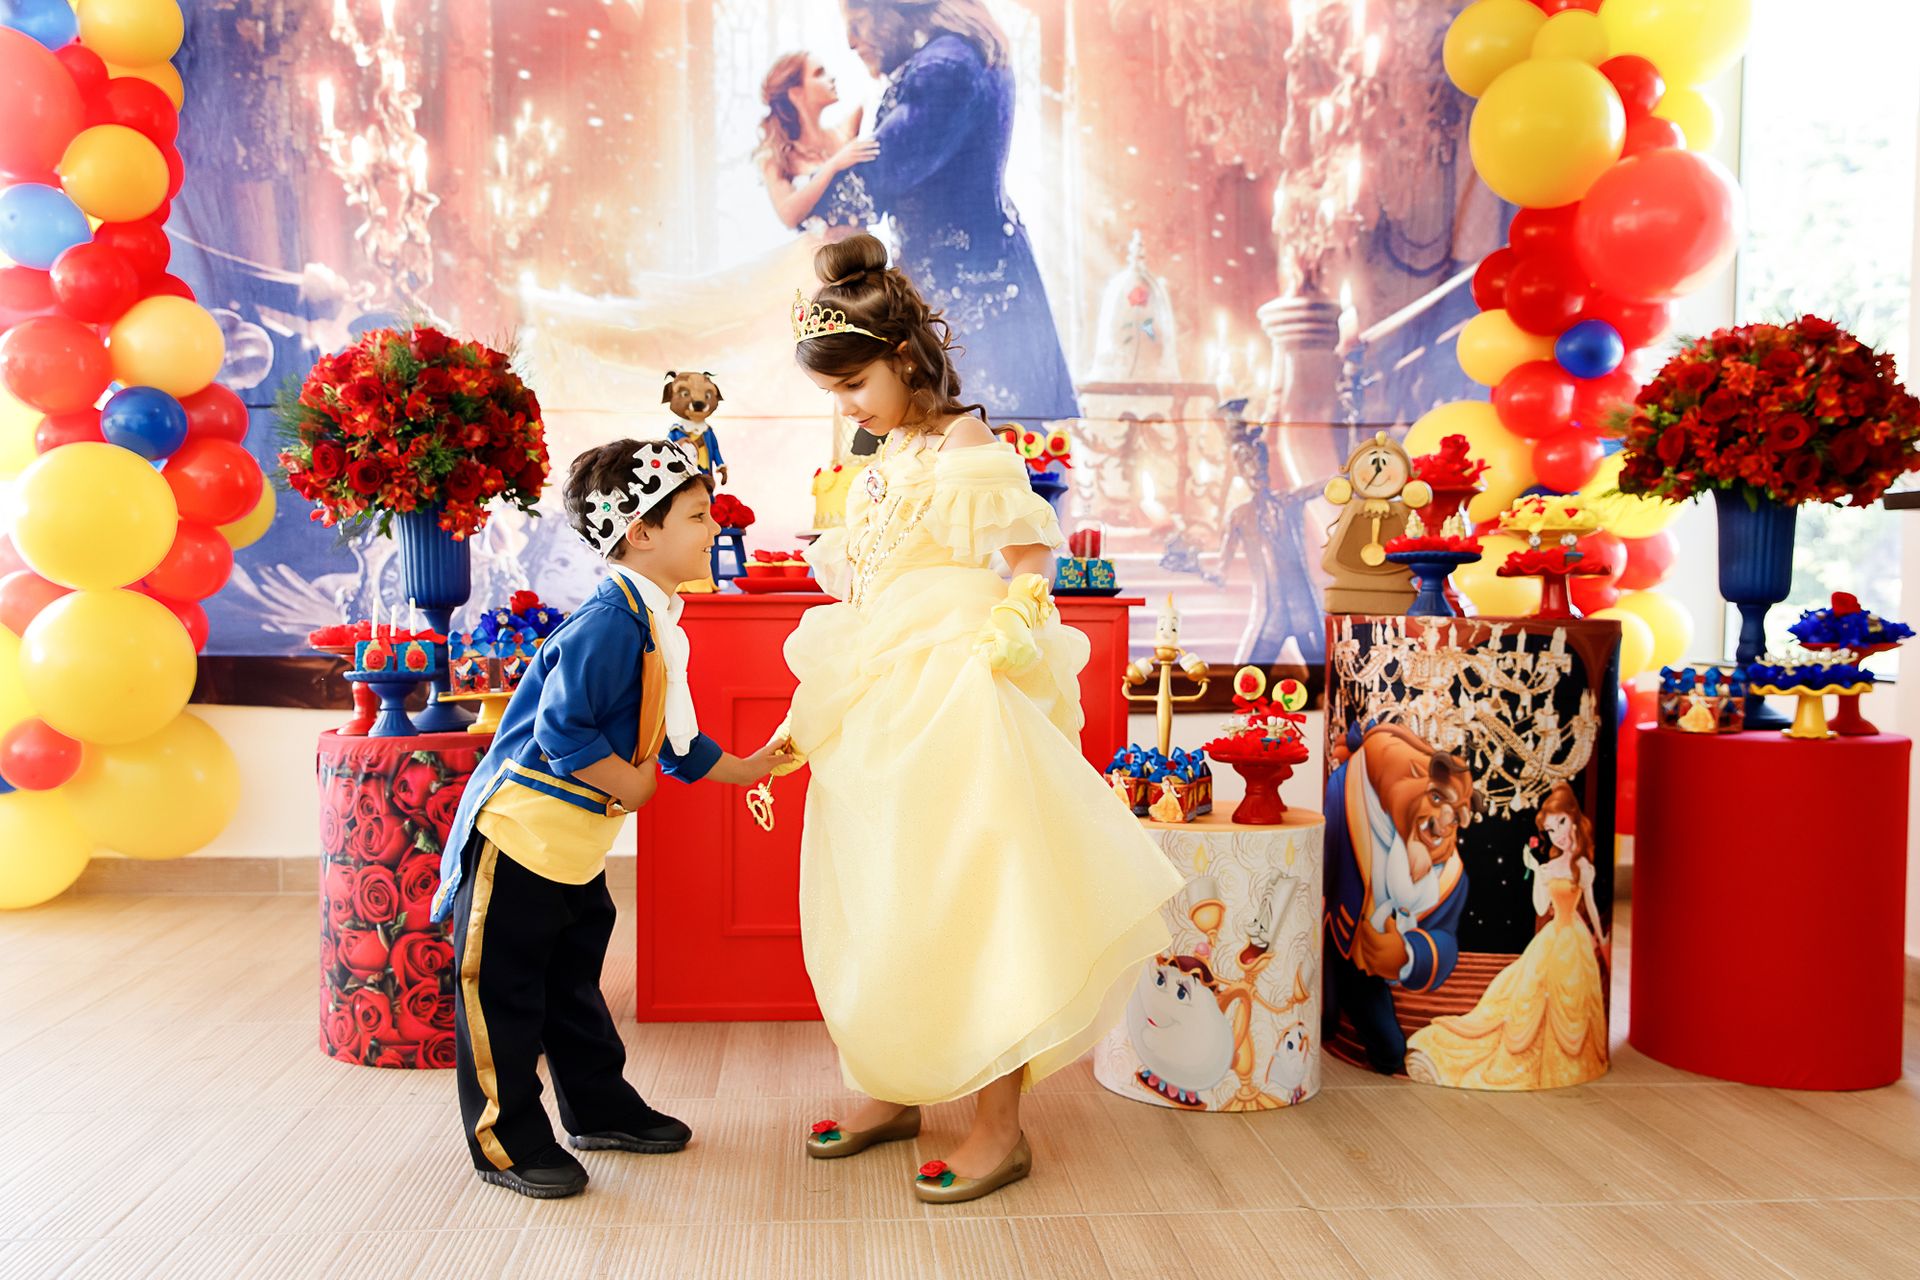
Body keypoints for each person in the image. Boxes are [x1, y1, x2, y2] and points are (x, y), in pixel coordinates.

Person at [781, 233, 1183, 1204]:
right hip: (880, 690)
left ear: (905, 358)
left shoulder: (967, 442)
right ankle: (891, 1083)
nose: (847, 407)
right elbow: (866, 559)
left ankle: (1000, 1124)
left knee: (977, 888)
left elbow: (1029, 558)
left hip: (955, 686)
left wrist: (1012, 623)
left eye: (854, 384)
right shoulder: (880, 448)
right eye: (835, 391)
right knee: (883, 891)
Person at [431, 438, 794, 1199]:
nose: (712, 527)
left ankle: (597, 1104)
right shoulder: (609, 622)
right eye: (697, 516)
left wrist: (751, 766)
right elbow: (564, 733)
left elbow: (679, 741)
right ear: (641, 532)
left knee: (572, 983)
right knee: (502, 992)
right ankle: (507, 1137)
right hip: (523, 834)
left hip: (573, 845)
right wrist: (633, 786)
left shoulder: (657, 616)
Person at [821, 0, 1079, 424]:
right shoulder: (963, 55)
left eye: (859, 23)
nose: (851, 43)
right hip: (983, 277)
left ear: (894, 10)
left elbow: (878, 174)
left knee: (971, 444)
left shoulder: (944, 68)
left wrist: (816, 183)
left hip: (963, 292)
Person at [1403, 782, 1610, 1090]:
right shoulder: (1550, 867)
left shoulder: (1583, 866)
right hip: (1553, 939)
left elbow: (1591, 907)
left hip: (1574, 940)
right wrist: (1538, 876)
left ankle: (1571, 1062)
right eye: (1552, 831)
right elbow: (1541, 906)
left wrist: (1601, 940)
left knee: (1573, 1001)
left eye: (1562, 824)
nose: (1559, 835)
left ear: (1574, 817)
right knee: (1526, 998)